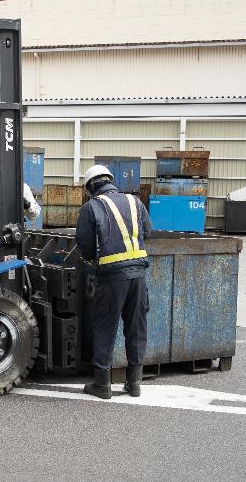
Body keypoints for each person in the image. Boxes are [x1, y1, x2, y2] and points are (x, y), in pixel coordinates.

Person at [75, 164, 153, 399]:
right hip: (138, 275)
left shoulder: (92, 207)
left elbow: (86, 245)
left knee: (105, 328)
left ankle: (102, 384)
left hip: (112, 278)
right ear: (110, 180)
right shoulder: (134, 201)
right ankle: (134, 383)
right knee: (136, 328)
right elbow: (147, 232)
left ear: (90, 187)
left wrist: (93, 259)